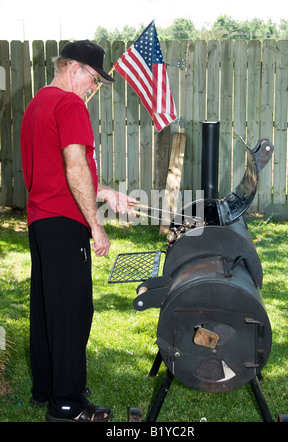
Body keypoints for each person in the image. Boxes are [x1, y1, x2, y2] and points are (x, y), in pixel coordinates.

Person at [21, 40, 135, 422]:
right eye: (93, 79)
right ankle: (67, 406)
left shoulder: (38, 103)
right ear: (75, 69)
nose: (94, 88)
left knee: (47, 307)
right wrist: (95, 225)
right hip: (64, 222)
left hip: (41, 220)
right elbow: (74, 168)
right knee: (72, 312)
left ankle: (46, 389)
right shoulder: (70, 104)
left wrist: (108, 193)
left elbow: (60, 170)